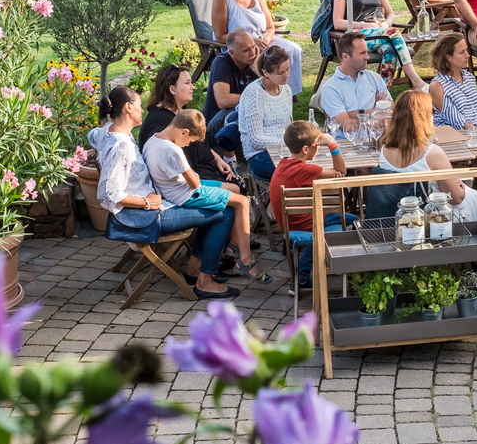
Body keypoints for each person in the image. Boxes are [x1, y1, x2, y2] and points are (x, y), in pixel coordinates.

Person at [88, 87, 237, 300]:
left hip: (156, 205)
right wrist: (146, 202)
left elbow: (91, 135)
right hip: (145, 216)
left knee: (217, 205)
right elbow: (107, 194)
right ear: (128, 108)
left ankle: (195, 270)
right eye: (139, 106)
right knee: (224, 213)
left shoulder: (107, 132)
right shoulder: (120, 146)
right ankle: (205, 281)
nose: (143, 111)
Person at [142, 109, 269, 283]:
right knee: (240, 202)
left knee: (236, 189)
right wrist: (192, 172)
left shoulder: (154, 139)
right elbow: (194, 183)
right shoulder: (173, 151)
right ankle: (245, 259)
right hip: (185, 194)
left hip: (179, 186)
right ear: (184, 132)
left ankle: (232, 248)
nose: (187, 145)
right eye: (190, 141)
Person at [377, 91, 477, 224]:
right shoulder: (433, 153)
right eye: (433, 111)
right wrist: (459, 185)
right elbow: (456, 198)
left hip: (397, 214)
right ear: (424, 117)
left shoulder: (384, 149)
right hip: (433, 218)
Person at [270, 119, 354, 292]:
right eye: (317, 145)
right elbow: (341, 172)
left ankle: (305, 273)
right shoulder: (306, 170)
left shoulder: (284, 163)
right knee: (353, 222)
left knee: (343, 219)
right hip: (306, 224)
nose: (319, 148)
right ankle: (322, 270)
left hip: (288, 223)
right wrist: (332, 144)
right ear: (306, 149)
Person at [138, 64, 242, 191]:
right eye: (187, 83)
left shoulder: (181, 112)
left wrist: (218, 159)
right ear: (172, 89)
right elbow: (169, 162)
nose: (192, 87)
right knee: (237, 189)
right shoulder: (159, 121)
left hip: (208, 169)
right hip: (193, 180)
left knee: (239, 183)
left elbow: (200, 142)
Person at [210, 0, 302, 94]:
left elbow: (270, 27)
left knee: (293, 49)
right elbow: (220, 35)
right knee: (265, 59)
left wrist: (265, 41)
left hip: (263, 40)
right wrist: (252, 42)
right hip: (241, 47)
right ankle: (271, 93)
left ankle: (288, 93)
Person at [321, 31, 426, 131]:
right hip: (347, 144)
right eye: (362, 53)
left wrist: (354, 114)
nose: (367, 57)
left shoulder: (374, 78)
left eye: (367, 52)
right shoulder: (331, 88)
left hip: (377, 139)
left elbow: (391, 109)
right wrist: (376, 111)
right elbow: (347, 126)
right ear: (345, 56)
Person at [329, 0, 416, 71]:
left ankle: (383, 88)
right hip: (357, 36)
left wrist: (386, 23)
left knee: (389, 50)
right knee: (393, 32)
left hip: (380, 32)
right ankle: (415, 78)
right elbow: (337, 22)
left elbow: (390, 13)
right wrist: (363, 25)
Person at [237, 44, 296, 182]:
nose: (286, 75)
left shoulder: (286, 89)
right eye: (281, 73)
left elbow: (288, 125)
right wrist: (289, 143)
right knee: (301, 170)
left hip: (285, 149)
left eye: (288, 69)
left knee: (313, 162)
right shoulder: (255, 94)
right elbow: (255, 139)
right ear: (266, 72)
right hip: (259, 155)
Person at [204, 29, 260, 151]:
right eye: (246, 50)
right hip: (217, 124)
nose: (252, 53)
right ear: (232, 53)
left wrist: (258, 70)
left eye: (253, 47)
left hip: (246, 121)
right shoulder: (221, 62)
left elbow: (274, 92)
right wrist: (255, 99)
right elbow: (223, 100)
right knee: (233, 111)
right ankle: (230, 158)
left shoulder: (254, 61)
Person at [428, 32, 477, 129]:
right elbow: (458, 123)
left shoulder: (469, 77)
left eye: (466, 50)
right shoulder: (438, 86)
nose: (467, 55)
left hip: (476, 132)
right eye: (461, 52)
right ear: (448, 57)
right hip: (456, 136)